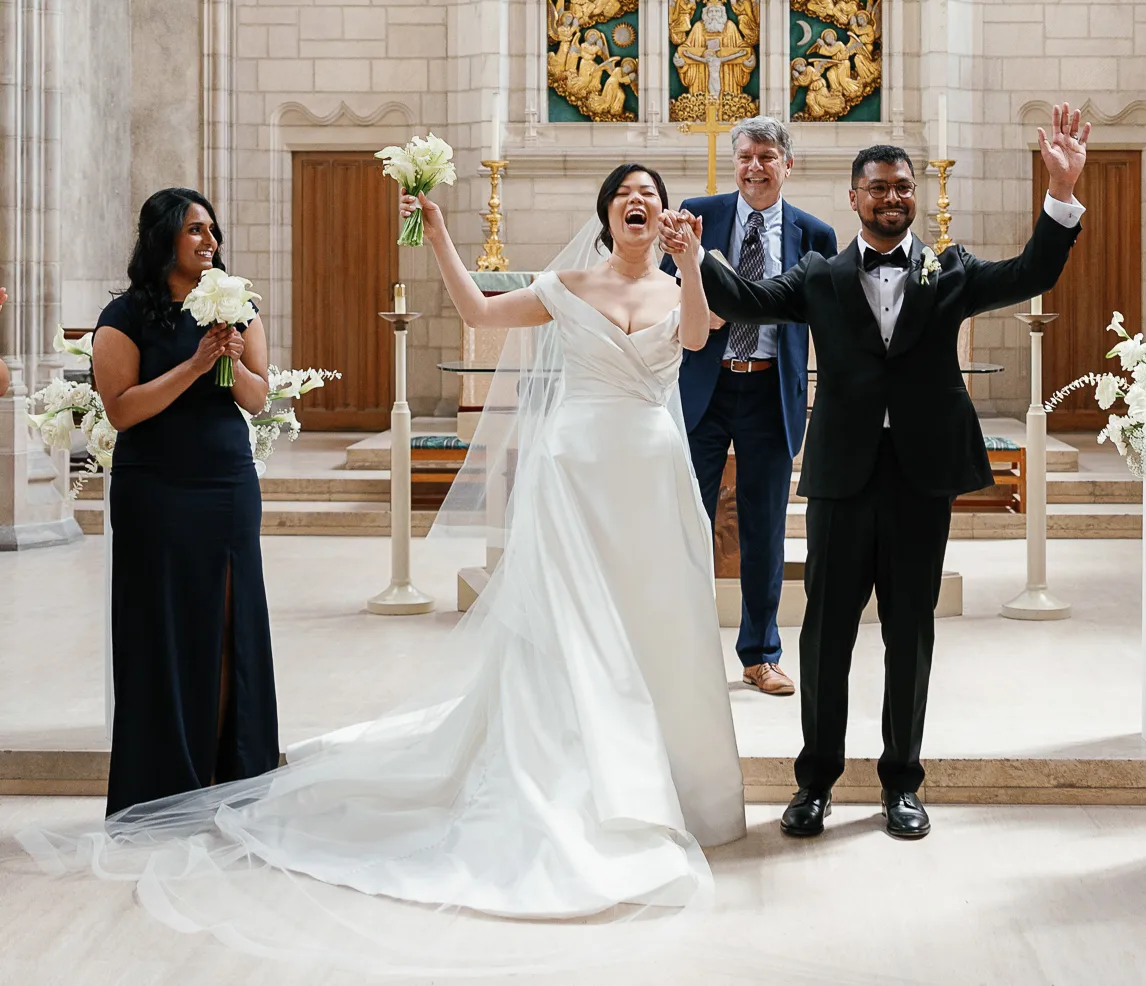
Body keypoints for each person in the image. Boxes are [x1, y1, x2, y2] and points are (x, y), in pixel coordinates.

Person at [24, 163, 744, 961]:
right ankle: (581, 781)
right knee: (573, 632)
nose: (637, 203)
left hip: (651, 474)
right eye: (623, 196)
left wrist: (689, 266)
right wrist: (437, 234)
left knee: (661, 624)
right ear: (606, 214)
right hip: (576, 474)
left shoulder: (689, 276)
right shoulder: (567, 282)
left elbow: (694, 337)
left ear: (665, 212)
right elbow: (476, 309)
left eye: (649, 195)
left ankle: (668, 780)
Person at [697, 106, 1089, 842]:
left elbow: (1033, 270)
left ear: (913, 196)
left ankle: (901, 785)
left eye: (902, 188)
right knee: (825, 635)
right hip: (844, 476)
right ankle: (814, 784)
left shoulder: (952, 270)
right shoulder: (817, 275)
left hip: (919, 477)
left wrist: (1060, 192)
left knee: (910, 634)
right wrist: (694, 257)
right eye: (877, 187)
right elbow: (741, 298)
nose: (892, 198)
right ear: (853, 198)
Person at [90, 189, 278, 814]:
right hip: (156, 490)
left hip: (225, 483)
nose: (209, 241)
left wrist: (230, 362)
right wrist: (197, 365)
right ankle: (166, 783)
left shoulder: (239, 306)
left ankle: (233, 779)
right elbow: (122, 410)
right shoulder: (124, 317)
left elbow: (256, 399)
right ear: (162, 237)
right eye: (195, 229)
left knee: (229, 625)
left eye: (212, 230)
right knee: (163, 630)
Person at [675, 116, 837, 697]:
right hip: (705, 388)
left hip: (771, 392)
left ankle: (761, 654)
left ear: (787, 166)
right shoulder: (700, 215)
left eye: (767, 157)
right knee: (686, 520)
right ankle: (683, 652)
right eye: (746, 156)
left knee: (765, 528)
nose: (755, 167)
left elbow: (825, 323)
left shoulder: (815, 235)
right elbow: (669, 290)